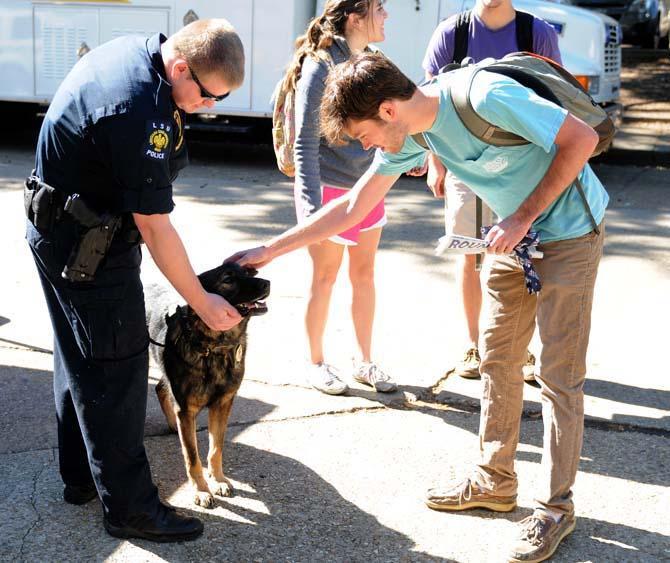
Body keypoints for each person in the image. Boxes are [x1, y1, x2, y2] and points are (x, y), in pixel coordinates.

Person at [230, 52, 606, 562]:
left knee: (559, 377)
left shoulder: (483, 96)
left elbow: (580, 139)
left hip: (568, 234)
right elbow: (352, 206)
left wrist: (521, 216)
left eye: (362, 135)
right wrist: (269, 251)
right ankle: (495, 481)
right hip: (510, 240)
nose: (365, 147)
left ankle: (556, 508)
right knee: (497, 361)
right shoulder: (412, 132)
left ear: (387, 110)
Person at [25, 19, 245, 542]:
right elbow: (154, 225)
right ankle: (130, 509)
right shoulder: (137, 110)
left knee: (80, 355)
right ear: (181, 67)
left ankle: (82, 479)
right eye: (208, 94)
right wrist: (203, 302)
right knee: (118, 369)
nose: (209, 106)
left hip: (61, 227)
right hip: (87, 247)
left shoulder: (140, 51)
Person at [420, 0, 561, 381]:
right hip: (464, 164)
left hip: (522, 167)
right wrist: (436, 160)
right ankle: (474, 344)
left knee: (522, 254)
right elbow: (427, 101)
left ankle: (523, 349)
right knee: (468, 253)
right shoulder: (453, 32)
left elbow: (555, 98)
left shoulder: (538, 33)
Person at [286, 0, 396, 395]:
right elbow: (304, 144)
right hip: (328, 187)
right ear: (355, 17)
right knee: (325, 278)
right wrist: (311, 209)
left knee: (364, 276)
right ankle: (316, 363)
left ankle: (365, 362)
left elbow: (393, 118)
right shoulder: (320, 65)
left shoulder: (374, 61)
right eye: (379, 8)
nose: (386, 16)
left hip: (367, 185)